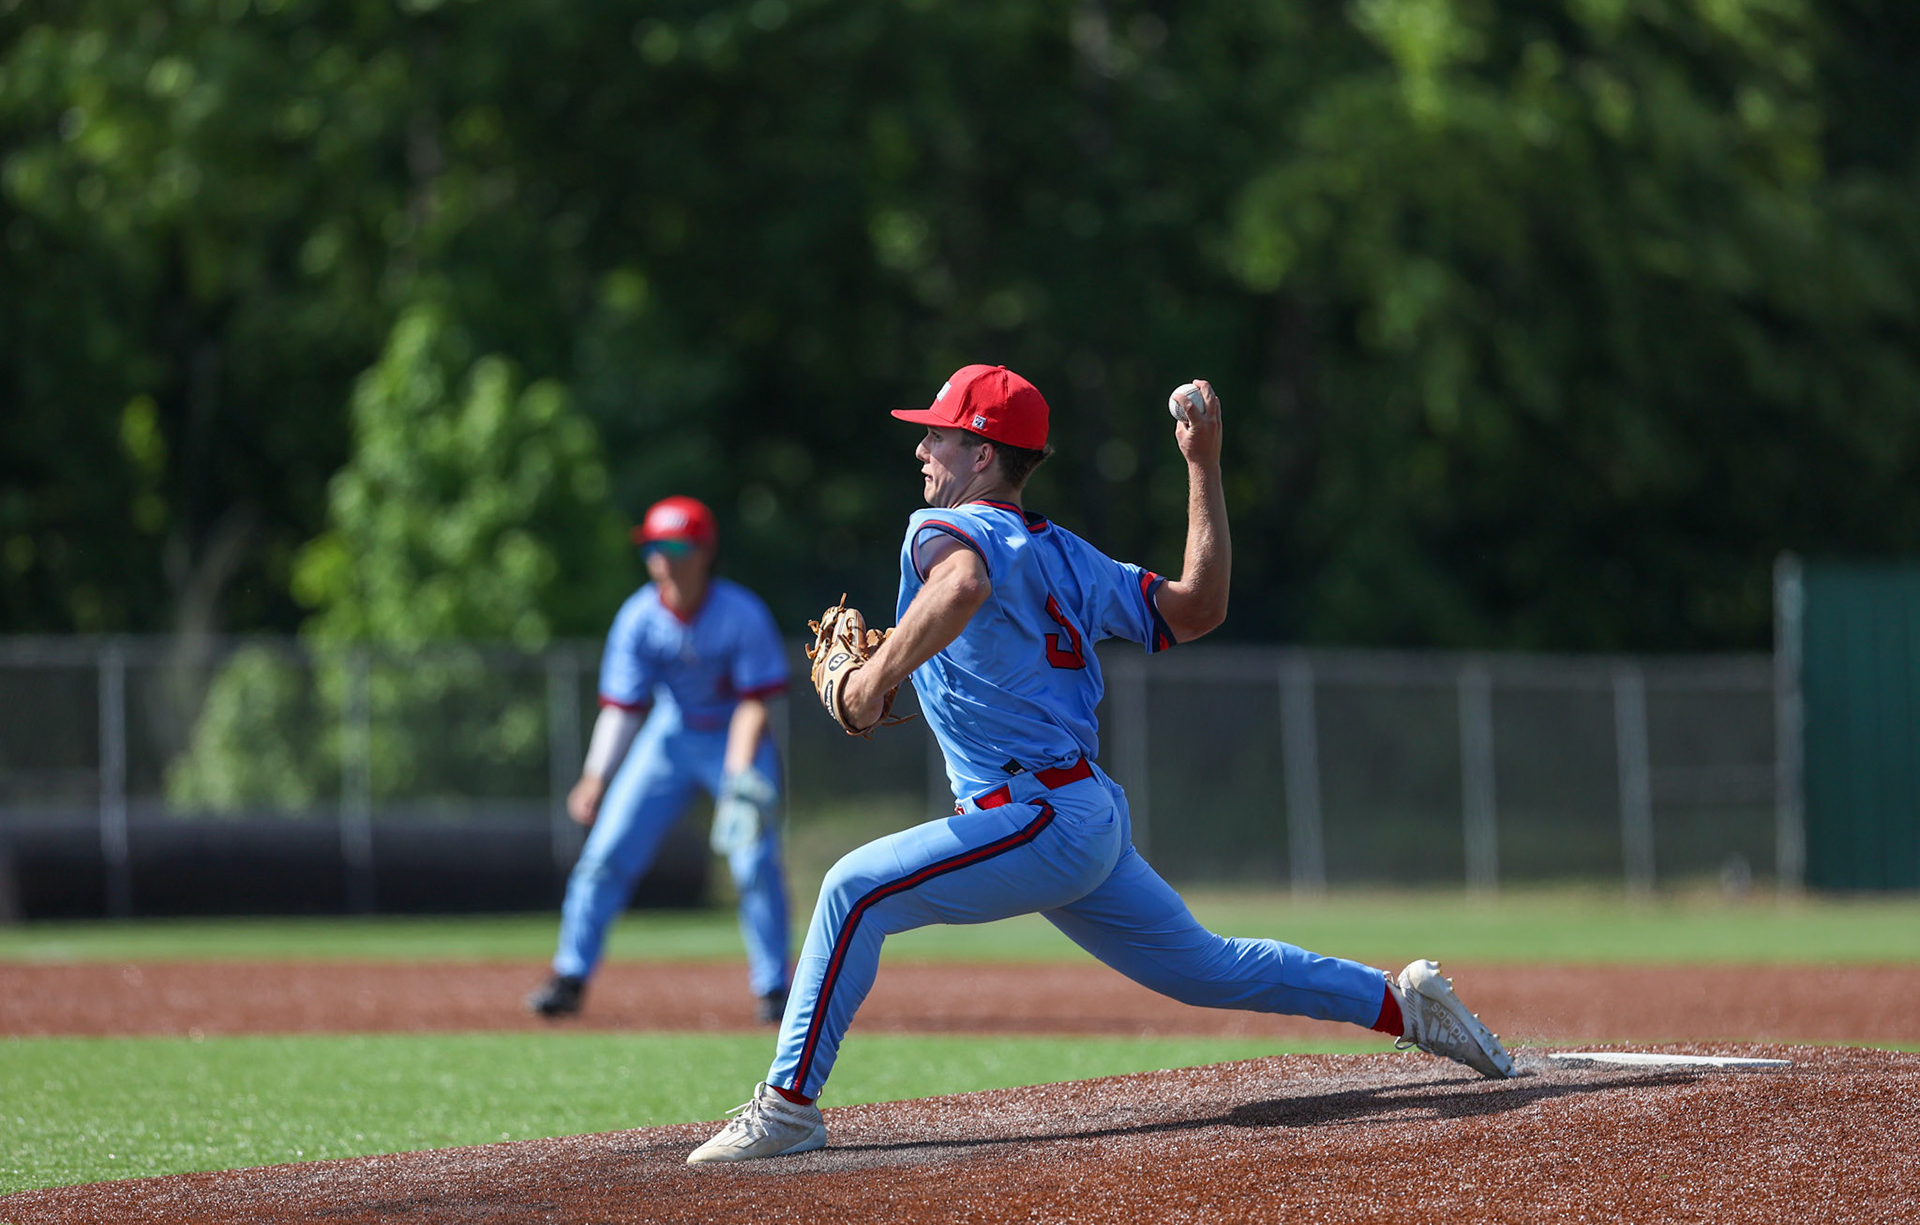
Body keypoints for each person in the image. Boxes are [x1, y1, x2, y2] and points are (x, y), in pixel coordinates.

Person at [685, 365, 1515, 1164]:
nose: (921, 450)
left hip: (1037, 818)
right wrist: (1204, 468)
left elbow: (965, 584)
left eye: (936, 435)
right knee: (1207, 968)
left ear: (982, 455)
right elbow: (1200, 609)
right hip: (1080, 816)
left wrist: (870, 681)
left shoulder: (945, 529)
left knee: (851, 890)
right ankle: (1400, 1003)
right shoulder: (1071, 554)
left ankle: (788, 1109)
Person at [526, 495, 793, 1024]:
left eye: (675, 545)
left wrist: (739, 778)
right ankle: (570, 974)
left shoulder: (741, 614)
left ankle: (774, 988)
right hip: (668, 735)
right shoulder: (637, 617)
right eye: (653, 545)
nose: (661, 557)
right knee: (605, 853)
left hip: (732, 739)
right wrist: (595, 777)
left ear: (703, 552)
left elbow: (755, 702)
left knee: (755, 861)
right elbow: (623, 709)